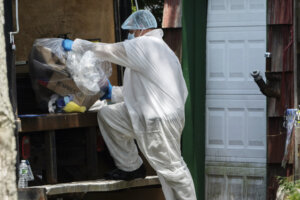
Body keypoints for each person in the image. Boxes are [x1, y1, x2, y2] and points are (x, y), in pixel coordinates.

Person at [62, 10, 196, 200]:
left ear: (142, 29)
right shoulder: (156, 49)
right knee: (109, 115)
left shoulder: (145, 45)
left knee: (173, 170)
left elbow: (108, 51)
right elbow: (143, 89)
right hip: (148, 112)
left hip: (158, 119)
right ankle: (132, 167)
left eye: (131, 30)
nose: (129, 34)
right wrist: (112, 92)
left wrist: (76, 45)